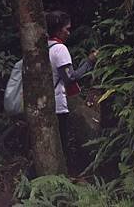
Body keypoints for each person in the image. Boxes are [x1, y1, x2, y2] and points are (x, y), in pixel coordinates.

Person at [45, 10, 98, 158]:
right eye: (66, 29)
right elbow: (70, 78)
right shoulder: (60, 49)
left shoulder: (45, 47)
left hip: (47, 104)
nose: (69, 33)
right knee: (62, 144)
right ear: (57, 30)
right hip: (58, 105)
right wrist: (89, 61)